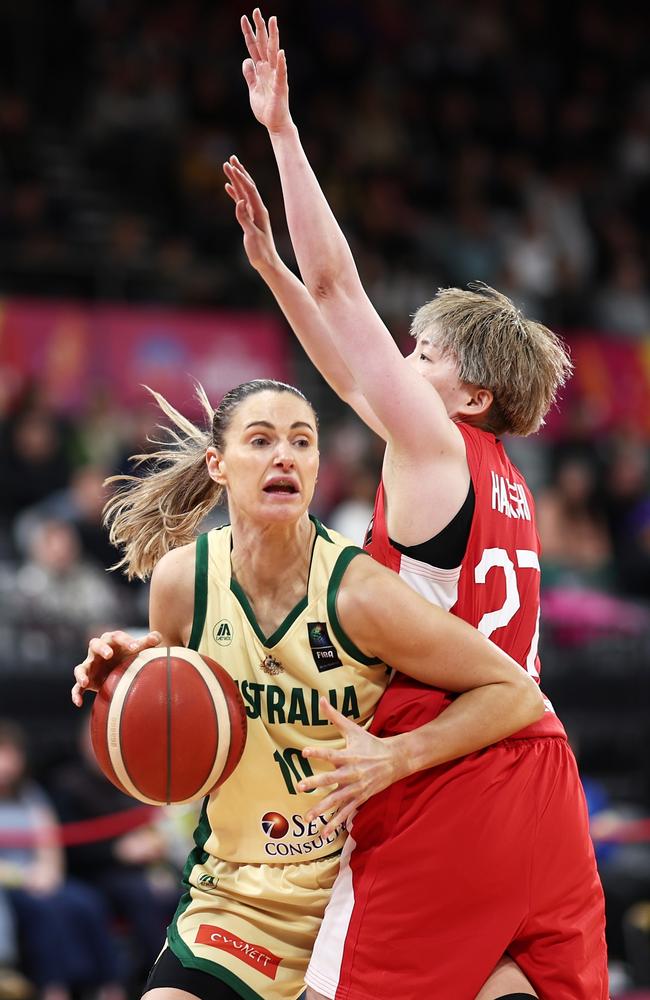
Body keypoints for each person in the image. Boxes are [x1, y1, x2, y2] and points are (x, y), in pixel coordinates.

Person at [228, 11, 609, 1000]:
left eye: (423, 353)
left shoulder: (434, 448)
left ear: (469, 393)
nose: (402, 362)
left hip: (441, 773)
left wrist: (282, 134)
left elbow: (336, 283)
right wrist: (272, 274)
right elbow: (347, 364)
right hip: (539, 780)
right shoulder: (495, 475)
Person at [71, 378, 544, 1000]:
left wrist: (398, 755)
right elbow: (172, 728)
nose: (285, 457)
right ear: (218, 463)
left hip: (358, 898)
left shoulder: (359, 592)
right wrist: (127, 679)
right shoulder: (183, 580)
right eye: (261, 440)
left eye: (302, 441)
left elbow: (516, 691)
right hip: (233, 899)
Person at [0, 720, 126, 1000]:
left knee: (87, 902)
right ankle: (54, 990)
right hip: (10, 885)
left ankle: (110, 987)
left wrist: (49, 872)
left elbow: (49, 839)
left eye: (11, 753)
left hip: (41, 877)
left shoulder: (29, 795)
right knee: (47, 914)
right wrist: (23, 877)